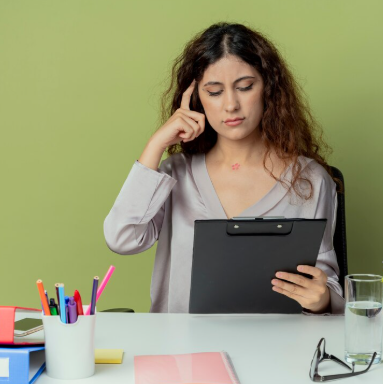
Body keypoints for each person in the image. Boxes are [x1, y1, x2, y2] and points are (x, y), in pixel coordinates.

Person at [104, 22, 344, 315]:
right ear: (197, 99)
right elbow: (121, 237)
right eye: (215, 92)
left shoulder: (310, 180)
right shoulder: (174, 174)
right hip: (182, 352)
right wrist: (156, 144)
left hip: (276, 352)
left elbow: (328, 283)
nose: (231, 105)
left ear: (268, 87)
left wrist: (321, 299)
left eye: (245, 87)